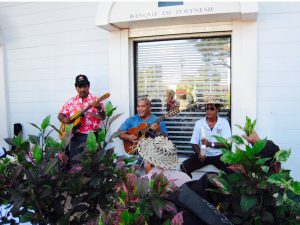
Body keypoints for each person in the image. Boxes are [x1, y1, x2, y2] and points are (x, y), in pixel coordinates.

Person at [58, 74, 106, 165]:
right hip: (75, 137)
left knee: (90, 164)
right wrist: (65, 118)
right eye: (80, 86)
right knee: (75, 164)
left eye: (85, 86)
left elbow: (103, 117)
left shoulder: (95, 100)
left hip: (91, 137)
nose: (82, 89)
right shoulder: (71, 101)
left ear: (88, 86)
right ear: (76, 87)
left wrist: (99, 107)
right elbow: (60, 115)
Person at [180, 97, 232, 178]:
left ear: (217, 109)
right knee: (184, 167)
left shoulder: (224, 123)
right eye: (207, 108)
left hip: (220, 155)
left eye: (211, 109)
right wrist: (199, 153)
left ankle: (227, 188)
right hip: (204, 154)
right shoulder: (199, 123)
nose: (208, 111)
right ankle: (191, 186)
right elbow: (194, 143)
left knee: (234, 171)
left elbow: (227, 144)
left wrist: (210, 144)